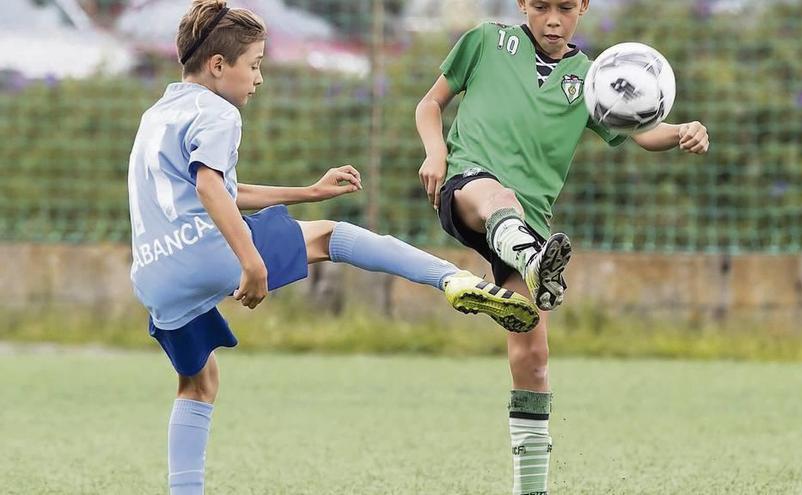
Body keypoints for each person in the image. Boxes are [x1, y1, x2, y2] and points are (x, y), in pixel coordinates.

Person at [127, 1, 541, 493]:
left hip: (154, 276)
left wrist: (308, 192)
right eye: (255, 64)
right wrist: (251, 261)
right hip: (206, 250)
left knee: (199, 383)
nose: (259, 78)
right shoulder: (219, 111)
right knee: (331, 236)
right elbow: (211, 189)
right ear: (218, 65)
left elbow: (218, 188)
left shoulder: (160, 112)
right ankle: (453, 279)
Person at [415, 1, 710, 493]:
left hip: (529, 225)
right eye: (542, 6)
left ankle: (531, 490)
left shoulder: (593, 79)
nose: (554, 19)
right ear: (522, 5)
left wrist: (681, 131)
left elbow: (642, 132)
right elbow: (429, 104)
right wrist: (435, 150)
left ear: (584, 8)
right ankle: (533, 261)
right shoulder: (485, 40)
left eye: (566, 8)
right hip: (467, 187)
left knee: (532, 355)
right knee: (497, 197)